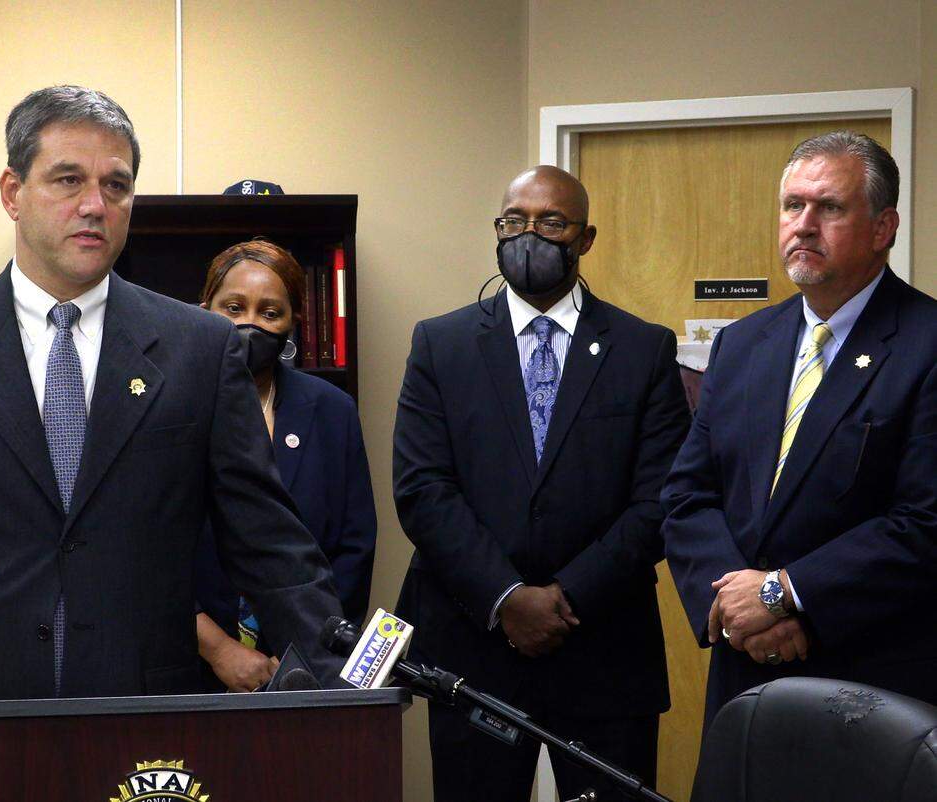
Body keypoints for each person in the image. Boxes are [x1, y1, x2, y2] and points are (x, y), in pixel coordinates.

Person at [0, 85, 343, 786]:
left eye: (116, 185)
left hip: (151, 737)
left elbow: (270, 544)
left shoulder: (199, 349)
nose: (95, 204)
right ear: (13, 192)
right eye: (68, 179)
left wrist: (342, 686)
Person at [393, 165, 691, 801]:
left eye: (551, 222)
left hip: (603, 645)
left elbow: (661, 500)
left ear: (585, 239)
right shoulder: (441, 344)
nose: (529, 236)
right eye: (514, 222)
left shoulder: (643, 348)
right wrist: (506, 597)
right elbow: (422, 489)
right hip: (474, 645)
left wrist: (564, 598)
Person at [661, 131, 937, 731]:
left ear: (883, 228)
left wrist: (785, 594)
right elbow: (687, 494)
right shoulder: (742, 343)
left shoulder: (926, 342)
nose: (804, 225)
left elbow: (924, 521)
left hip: (872, 686)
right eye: (793, 205)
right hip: (744, 674)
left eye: (829, 207)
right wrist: (736, 609)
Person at [193, 239, 376, 692]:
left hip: (304, 669)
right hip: (191, 664)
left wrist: (307, 648)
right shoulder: (172, 406)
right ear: (203, 311)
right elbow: (143, 555)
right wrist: (218, 650)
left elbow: (354, 545)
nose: (250, 324)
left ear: (294, 322)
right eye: (234, 308)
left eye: (270, 313)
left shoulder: (331, 409)